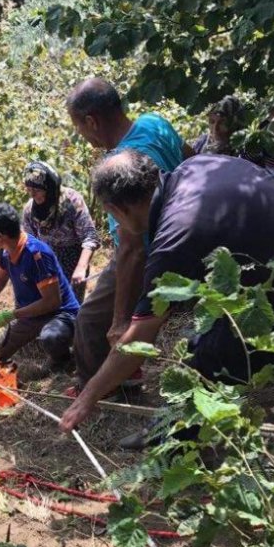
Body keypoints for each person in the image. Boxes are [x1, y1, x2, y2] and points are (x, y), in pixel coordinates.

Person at [59, 151, 274, 433]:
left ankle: (180, 446)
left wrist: (87, 397)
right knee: (199, 342)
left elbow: (139, 342)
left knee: (205, 363)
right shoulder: (199, 165)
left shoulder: (175, 236)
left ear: (118, 210)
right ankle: (172, 427)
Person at [65, 78, 188, 394]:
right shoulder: (154, 123)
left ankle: (101, 387)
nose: (82, 135)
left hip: (148, 251)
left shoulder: (118, 166)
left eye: (79, 127)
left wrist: (120, 320)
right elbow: (190, 158)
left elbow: (132, 247)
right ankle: (125, 372)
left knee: (91, 321)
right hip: (181, 233)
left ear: (91, 121)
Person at [0, 203, 80, 370]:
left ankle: (64, 361)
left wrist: (11, 315)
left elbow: (52, 302)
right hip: (29, 314)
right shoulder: (6, 249)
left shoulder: (37, 255)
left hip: (59, 314)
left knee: (52, 337)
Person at [20, 160, 100, 302]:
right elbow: (29, 242)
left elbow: (90, 236)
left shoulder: (72, 201)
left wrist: (81, 267)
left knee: (70, 307)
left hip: (73, 258)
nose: (32, 195)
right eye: (29, 190)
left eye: (37, 190)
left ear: (49, 188)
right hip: (46, 259)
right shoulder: (30, 210)